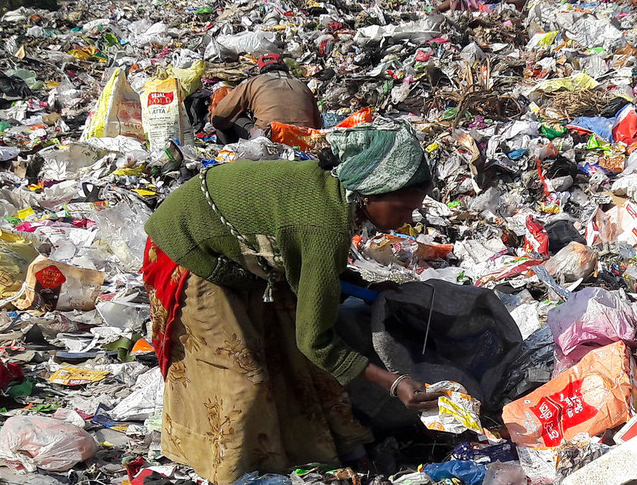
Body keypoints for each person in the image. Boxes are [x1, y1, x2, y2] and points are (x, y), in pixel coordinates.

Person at [142, 124, 442, 483]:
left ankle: (320, 447)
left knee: (290, 354)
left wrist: (358, 285)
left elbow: (310, 266)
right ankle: (231, 470)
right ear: (369, 194)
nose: (407, 221)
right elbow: (315, 340)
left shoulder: (334, 195)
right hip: (188, 248)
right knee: (243, 377)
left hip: (236, 247)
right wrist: (394, 383)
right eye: (403, 209)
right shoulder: (324, 225)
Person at [209, 53, 322, 144]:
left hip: (268, 138)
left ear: (260, 69)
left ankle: (229, 161)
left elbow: (220, 116)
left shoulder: (253, 82)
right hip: (305, 140)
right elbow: (318, 125)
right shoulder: (302, 85)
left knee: (230, 116)